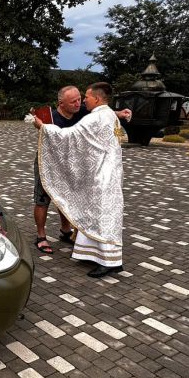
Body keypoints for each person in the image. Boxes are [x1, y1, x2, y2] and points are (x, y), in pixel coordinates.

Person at [32, 82, 125, 278]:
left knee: (102, 216)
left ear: (97, 99)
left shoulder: (96, 117)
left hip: (101, 176)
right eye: (76, 100)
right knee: (96, 213)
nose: (82, 101)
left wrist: (43, 127)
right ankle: (92, 253)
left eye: (86, 98)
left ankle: (110, 262)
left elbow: (69, 136)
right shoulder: (108, 115)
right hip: (109, 172)